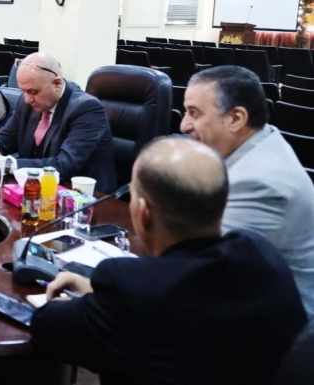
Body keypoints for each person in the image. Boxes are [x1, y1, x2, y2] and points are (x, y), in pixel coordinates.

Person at [31, 137, 307, 384]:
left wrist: (96, 299)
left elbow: (47, 327)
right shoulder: (262, 256)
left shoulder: (129, 287)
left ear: (143, 213)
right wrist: (100, 293)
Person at [181, 65, 314, 317]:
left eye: (194, 113)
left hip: (282, 331)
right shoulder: (256, 143)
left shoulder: (260, 183)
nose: (184, 125)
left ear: (236, 119)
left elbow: (201, 275)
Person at [0, 52, 117, 192]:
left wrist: (7, 164)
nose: (27, 99)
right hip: (34, 189)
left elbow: (64, 165)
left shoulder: (87, 109)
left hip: (83, 198)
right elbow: (5, 139)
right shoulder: (27, 102)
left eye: (33, 92)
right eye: (23, 91)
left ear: (57, 84)